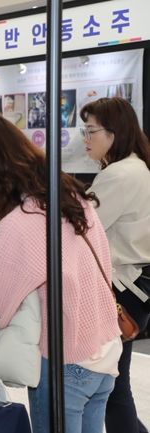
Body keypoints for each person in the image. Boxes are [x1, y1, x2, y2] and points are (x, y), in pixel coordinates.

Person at [0, 113, 122, 433]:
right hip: (104, 350)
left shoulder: (21, 220)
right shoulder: (70, 196)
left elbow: (0, 308)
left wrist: (1, 261)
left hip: (65, 359)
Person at [80, 97, 150, 433]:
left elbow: (80, 227)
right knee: (113, 384)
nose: (85, 138)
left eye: (91, 131)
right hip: (134, 287)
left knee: (111, 388)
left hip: (122, 287)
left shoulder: (119, 175)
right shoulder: (135, 168)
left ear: (114, 133)